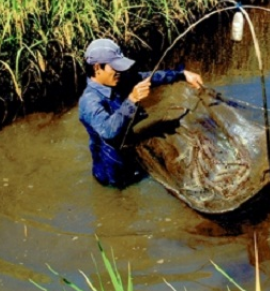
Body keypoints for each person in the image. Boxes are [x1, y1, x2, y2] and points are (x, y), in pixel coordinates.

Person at [79, 38, 203, 189]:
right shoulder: (89, 101)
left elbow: (149, 78)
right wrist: (132, 100)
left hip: (130, 156)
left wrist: (181, 75)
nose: (120, 72)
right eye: (115, 68)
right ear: (97, 67)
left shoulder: (118, 81)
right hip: (110, 173)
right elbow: (108, 131)